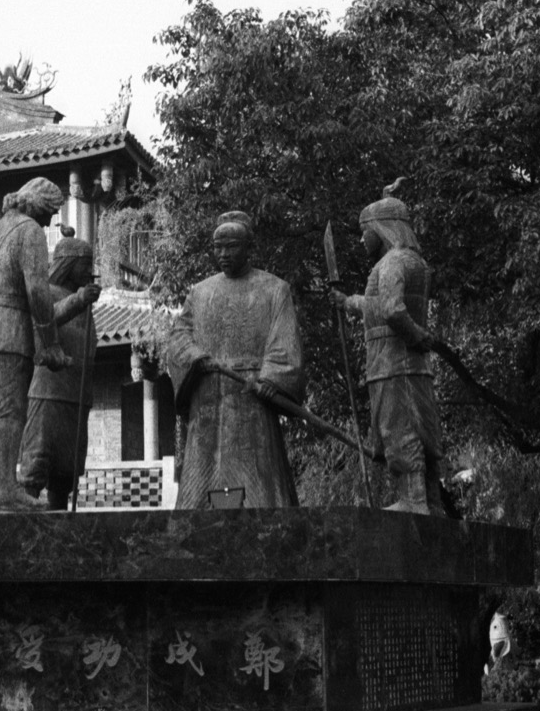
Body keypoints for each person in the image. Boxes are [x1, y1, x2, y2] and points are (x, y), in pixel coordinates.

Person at [159, 212, 306, 509]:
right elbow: (178, 338)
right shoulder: (200, 292)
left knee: (260, 491)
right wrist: (194, 357)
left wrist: (271, 379)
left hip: (252, 398)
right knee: (199, 494)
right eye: (218, 247)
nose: (223, 254)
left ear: (249, 247)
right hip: (208, 401)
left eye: (231, 247)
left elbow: (285, 341)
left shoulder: (274, 289)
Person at [0, 177, 72, 511]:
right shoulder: (29, 231)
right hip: (7, 334)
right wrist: (49, 343)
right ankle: (5, 487)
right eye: (50, 212)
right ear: (39, 206)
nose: (49, 221)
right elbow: (37, 290)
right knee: (10, 412)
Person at [339, 187, 446, 514]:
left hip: (390, 365)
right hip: (414, 366)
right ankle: (432, 503)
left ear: (382, 227)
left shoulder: (391, 262)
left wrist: (414, 335)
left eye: (365, 231)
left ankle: (413, 501)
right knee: (423, 430)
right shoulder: (415, 262)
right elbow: (377, 305)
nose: (362, 239)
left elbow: (392, 309)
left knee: (399, 429)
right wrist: (348, 302)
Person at [19, 232, 104, 509]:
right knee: (38, 459)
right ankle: (26, 512)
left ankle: (60, 518)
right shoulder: (47, 292)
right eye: (85, 264)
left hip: (76, 396)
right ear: (68, 263)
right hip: (49, 391)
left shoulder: (85, 304)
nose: (89, 271)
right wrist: (78, 300)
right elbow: (46, 320)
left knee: (66, 470)